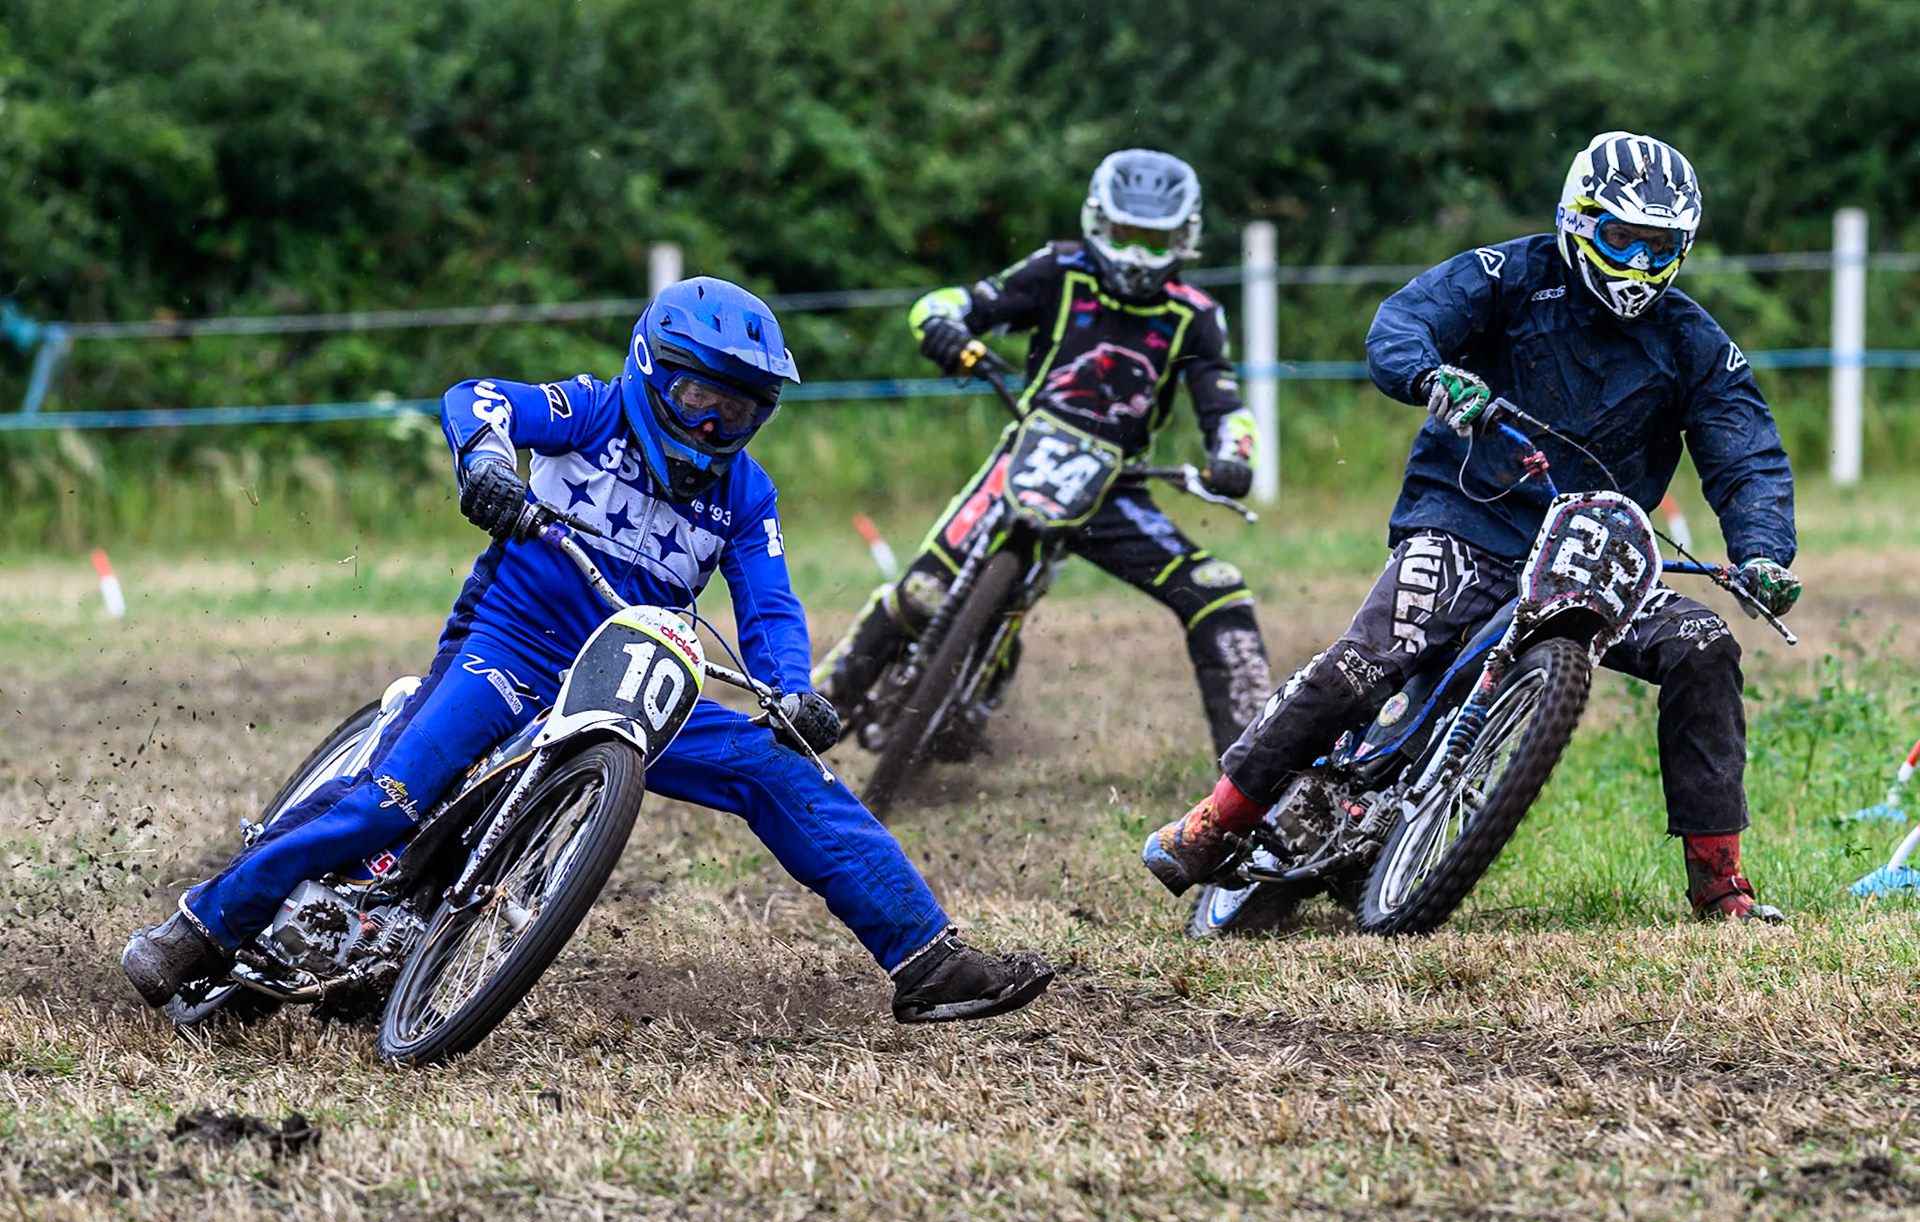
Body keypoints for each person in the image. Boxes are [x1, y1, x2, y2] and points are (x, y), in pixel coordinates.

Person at [121, 277, 1053, 1023]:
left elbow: (768, 600)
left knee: (783, 772)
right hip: (512, 650)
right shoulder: (594, 410)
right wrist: (484, 461)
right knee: (386, 805)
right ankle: (205, 921)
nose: (713, 428)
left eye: (741, 412)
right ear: (652, 371)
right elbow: (477, 399)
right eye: (697, 397)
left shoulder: (746, 494)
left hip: (636, 685)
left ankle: (929, 961)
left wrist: (791, 689)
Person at [1141, 132, 1800, 922]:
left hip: (1598, 551)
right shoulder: (1505, 275)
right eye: (1619, 237)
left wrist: (1763, 552)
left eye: (1657, 246)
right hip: (1467, 522)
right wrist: (1432, 373)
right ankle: (1215, 820)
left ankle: (1720, 879)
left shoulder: (1695, 341)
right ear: (1577, 219)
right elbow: (1401, 323)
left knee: (1705, 645)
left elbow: (1747, 451)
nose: (1635, 263)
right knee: (1364, 662)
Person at [814, 149, 1273, 757]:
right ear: (1097, 222)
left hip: (1115, 489)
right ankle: (812, 709)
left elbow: (1224, 402)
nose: (1136, 254)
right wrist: (945, 329)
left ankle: (1256, 770)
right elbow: (954, 302)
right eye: (1126, 234)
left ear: (1185, 240)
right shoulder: (1058, 269)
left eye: (1154, 240)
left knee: (1219, 590)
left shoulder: (1196, 316)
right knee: (920, 594)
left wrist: (1234, 453)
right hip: (1023, 459)